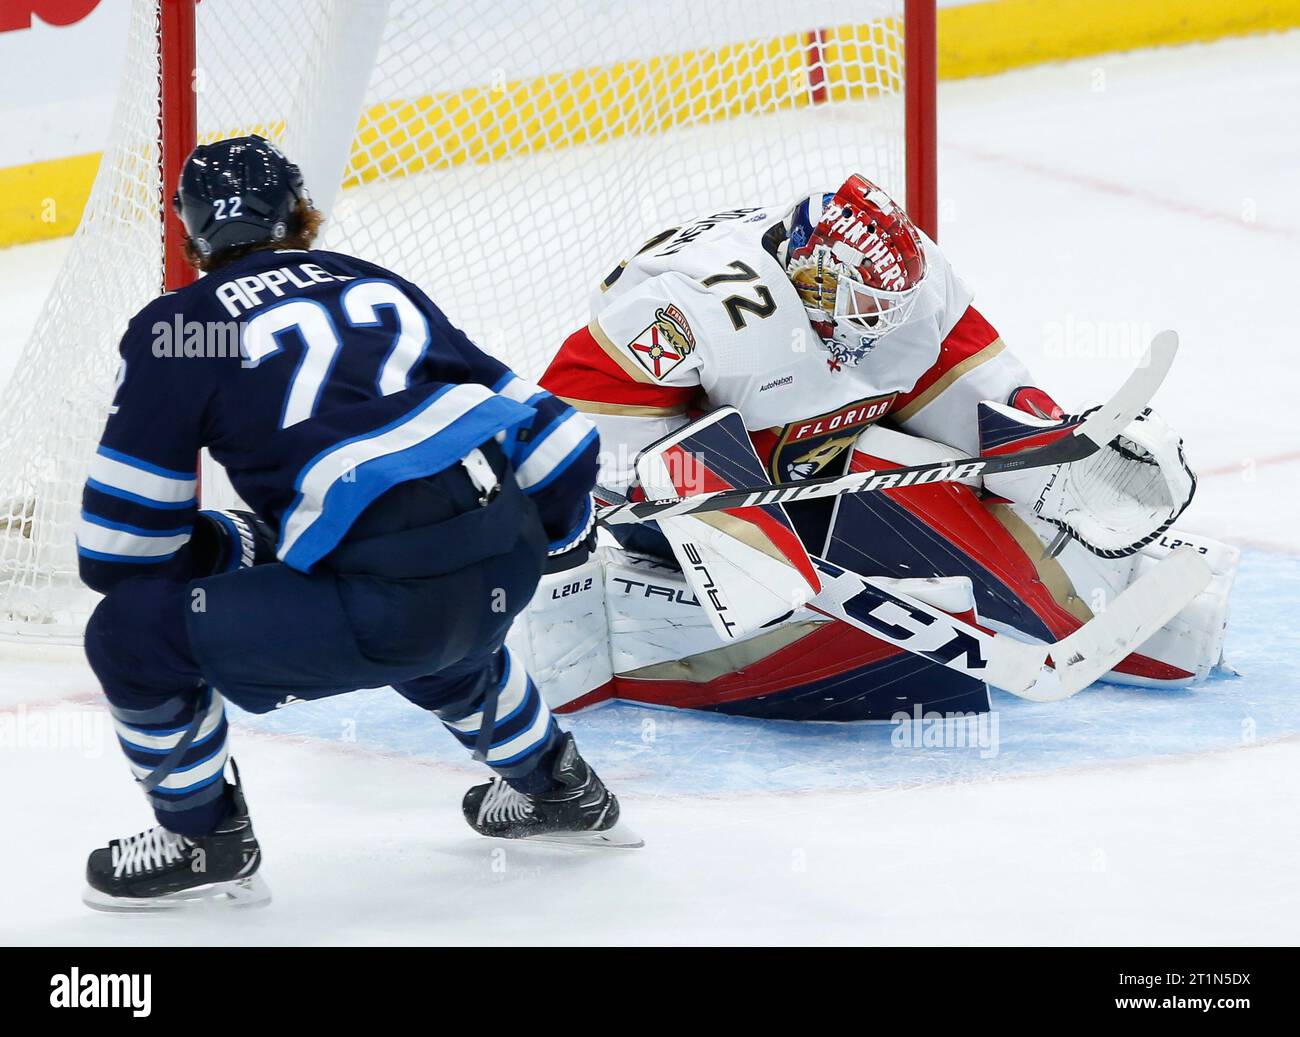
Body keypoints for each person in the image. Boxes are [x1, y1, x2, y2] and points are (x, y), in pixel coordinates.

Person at [79, 135, 635, 911]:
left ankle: (204, 837)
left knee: (127, 635)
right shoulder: (375, 283)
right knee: (413, 584)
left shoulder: (183, 325)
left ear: (191, 232)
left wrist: (214, 550)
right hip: (497, 560)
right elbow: (565, 440)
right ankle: (560, 785)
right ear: (302, 214)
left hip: (388, 603)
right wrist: (525, 540)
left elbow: (118, 549)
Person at [512, 174, 1237, 720]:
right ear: (810, 273)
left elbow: (978, 384)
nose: (876, 329)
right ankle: (743, 564)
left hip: (812, 457)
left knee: (956, 472)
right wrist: (714, 511)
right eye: (861, 308)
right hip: (690, 472)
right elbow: (572, 421)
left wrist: (1053, 452)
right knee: (697, 460)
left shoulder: (908, 282)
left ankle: (1095, 579)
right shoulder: (694, 307)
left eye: (888, 310)